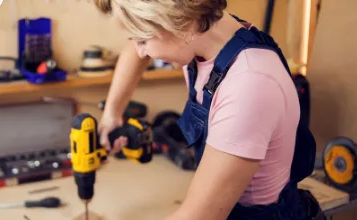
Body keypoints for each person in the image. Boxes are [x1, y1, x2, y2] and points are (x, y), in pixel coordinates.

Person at [92, 0, 323, 219]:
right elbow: (135, 53)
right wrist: (113, 112)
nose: (140, 51)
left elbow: (199, 217)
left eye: (142, 41)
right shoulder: (207, 34)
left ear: (174, 21)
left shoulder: (249, 84)